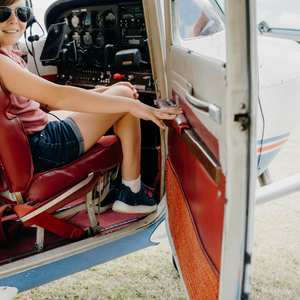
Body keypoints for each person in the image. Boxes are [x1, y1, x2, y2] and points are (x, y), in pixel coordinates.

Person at [0, 0, 182, 214]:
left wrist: (103, 91)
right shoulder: (3, 63)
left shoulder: (8, 55)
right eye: (4, 13)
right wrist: (133, 105)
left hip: (35, 135)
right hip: (44, 146)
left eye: (22, 12)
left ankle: (108, 193)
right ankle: (132, 193)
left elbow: (43, 103)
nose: (15, 21)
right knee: (124, 95)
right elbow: (58, 97)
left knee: (118, 95)